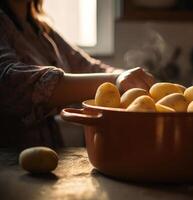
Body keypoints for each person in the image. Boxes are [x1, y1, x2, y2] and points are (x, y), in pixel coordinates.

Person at [0, 0, 156, 149]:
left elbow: (86, 67)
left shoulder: (43, 29)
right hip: (9, 158)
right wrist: (115, 80)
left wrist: (122, 75)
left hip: (50, 151)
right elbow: (10, 82)